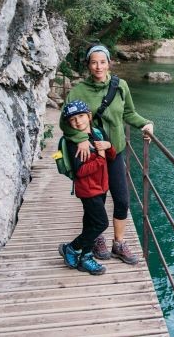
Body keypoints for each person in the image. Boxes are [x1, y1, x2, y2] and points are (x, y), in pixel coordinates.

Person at [60, 44, 154, 265]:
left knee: (121, 199)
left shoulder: (120, 86)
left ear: (109, 62)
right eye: (94, 62)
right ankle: (97, 239)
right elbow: (65, 122)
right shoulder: (78, 91)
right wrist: (82, 139)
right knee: (97, 201)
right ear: (88, 65)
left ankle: (119, 243)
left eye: (102, 62)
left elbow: (129, 113)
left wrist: (146, 124)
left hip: (114, 152)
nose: (98, 66)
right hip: (91, 156)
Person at [58, 100, 115, 275]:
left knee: (90, 222)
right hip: (88, 190)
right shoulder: (73, 142)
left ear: (89, 116)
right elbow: (80, 171)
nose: (78, 121)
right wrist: (100, 158)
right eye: (73, 119)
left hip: (101, 187)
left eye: (81, 116)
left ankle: (86, 256)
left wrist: (108, 146)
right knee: (101, 223)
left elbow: (111, 156)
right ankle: (72, 248)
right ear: (68, 123)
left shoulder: (97, 132)